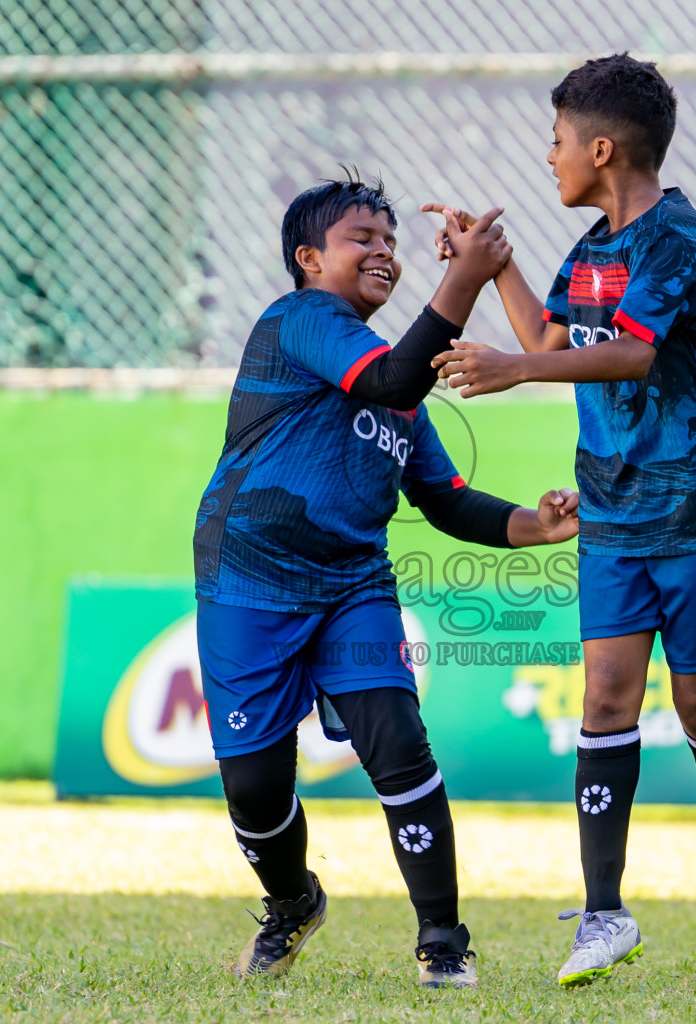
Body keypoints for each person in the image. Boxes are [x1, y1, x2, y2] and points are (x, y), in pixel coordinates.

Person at [425, 54, 696, 986]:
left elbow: (629, 355)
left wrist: (513, 369)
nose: (548, 161)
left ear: (601, 147)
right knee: (605, 701)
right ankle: (602, 912)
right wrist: (494, 269)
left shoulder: (675, 237)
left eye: (555, 144)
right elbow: (550, 339)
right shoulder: (587, 255)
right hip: (616, 516)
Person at [193, 174, 579, 988]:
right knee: (256, 788)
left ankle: (444, 942)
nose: (382, 252)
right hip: (247, 580)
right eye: (359, 239)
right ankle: (293, 901)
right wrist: (466, 274)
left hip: (351, 585)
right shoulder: (299, 320)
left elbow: (446, 500)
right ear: (307, 258)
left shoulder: (398, 389)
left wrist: (536, 525)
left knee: (398, 744)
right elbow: (395, 378)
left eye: (390, 242)